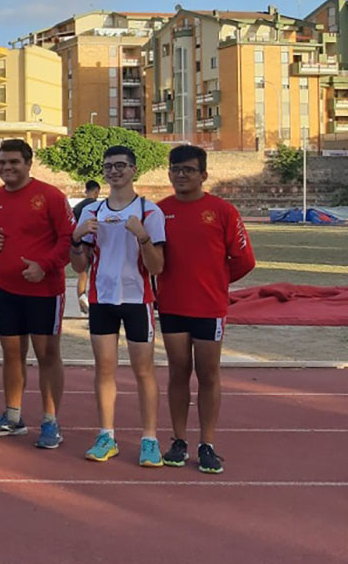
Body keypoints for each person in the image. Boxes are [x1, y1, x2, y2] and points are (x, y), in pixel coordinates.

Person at [156, 145, 256, 474]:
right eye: (175, 169)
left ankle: (207, 444)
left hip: (209, 308)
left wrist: (216, 282)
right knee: (178, 372)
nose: (181, 175)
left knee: (208, 375)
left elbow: (244, 260)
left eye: (188, 170)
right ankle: (179, 441)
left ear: (203, 175)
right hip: (172, 307)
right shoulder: (159, 212)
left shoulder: (223, 211)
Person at [71, 145, 166, 466]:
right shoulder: (90, 212)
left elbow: (157, 268)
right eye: (109, 166)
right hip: (102, 300)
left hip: (138, 300)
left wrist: (143, 238)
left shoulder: (149, 211)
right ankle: (106, 435)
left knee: (143, 371)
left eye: (121, 165)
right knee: (105, 369)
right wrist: (76, 238)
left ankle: (150, 439)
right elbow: (77, 265)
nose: (114, 171)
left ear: (133, 169)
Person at [0, 139, 72, 450]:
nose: (7, 168)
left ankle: (50, 421)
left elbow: (67, 239)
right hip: (7, 290)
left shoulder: (50, 196)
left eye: (14, 162)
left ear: (29, 163)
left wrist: (44, 266)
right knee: (12, 354)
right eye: (3, 162)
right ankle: (13, 417)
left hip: (44, 290)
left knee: (47, 356)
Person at [72, 180, 102, 314]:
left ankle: (82, 302)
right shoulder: (97, 206)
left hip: (78, 243)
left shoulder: (78, 207)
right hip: (91, 243)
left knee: (82, 274)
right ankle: (91, 301)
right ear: (96, 191)